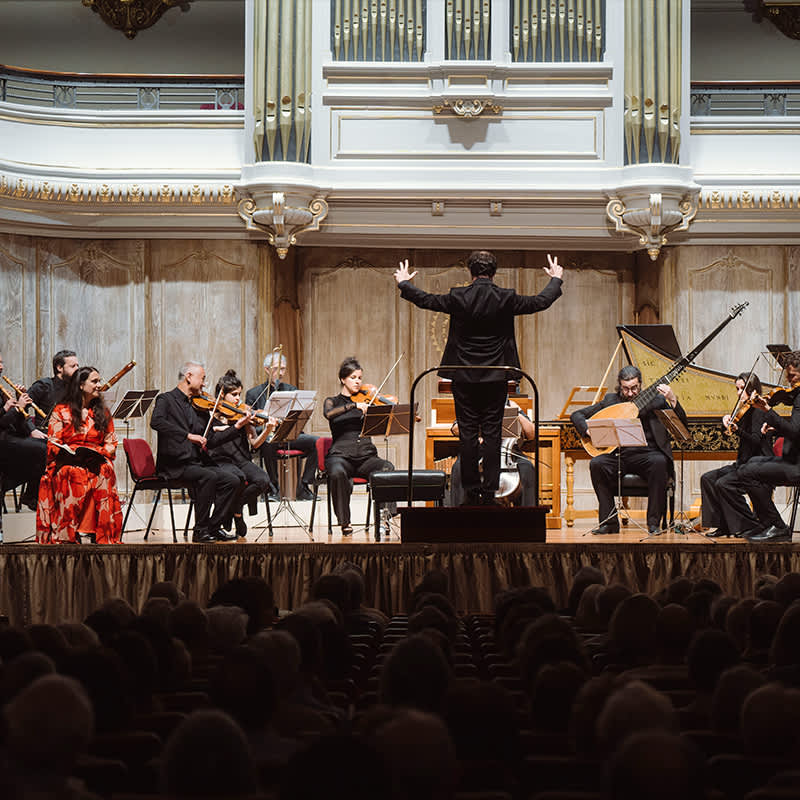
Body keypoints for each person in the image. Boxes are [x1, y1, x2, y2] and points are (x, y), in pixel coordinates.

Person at [394, 250, 563, 505]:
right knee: (493, 433)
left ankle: (472, 493)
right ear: (493, 272)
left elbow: (426, 300)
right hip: (496, 377)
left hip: (464, 376)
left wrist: (404, 283)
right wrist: (556, 279)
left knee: (468, 434)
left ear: (470, 272)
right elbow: (540, 302)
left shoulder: (458, 296)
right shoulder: (505, 297)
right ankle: (490, 490)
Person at [570, 365, 688, 535]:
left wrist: (673, 400)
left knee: (660, 462)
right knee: (597, 463)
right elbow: (577, 415)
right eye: (626, 389)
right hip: (619, 455)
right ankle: (609, 523)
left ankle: (653, 524)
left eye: (634, 388)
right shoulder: (611, 401)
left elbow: (682, 425)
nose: (631, 393)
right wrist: (588, 430)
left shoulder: (656, 400)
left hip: (648, 455)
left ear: (640, 384)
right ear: (620, 386)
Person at [150, 360, 251, 543]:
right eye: (202, 378)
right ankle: (200, 531)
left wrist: (236, 427)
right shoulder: (166, 399)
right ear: (189, 377)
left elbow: (211, 441)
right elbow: (156, 422)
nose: (205, 384)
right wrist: (188, 436)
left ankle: (213, 527)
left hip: (195, 463)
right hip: (174, 465)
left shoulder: (199, 407)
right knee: (208, 477)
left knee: (233, 480)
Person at [717, 350, 800, 542]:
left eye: (793, 376)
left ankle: (776, 526)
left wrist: (769, 412)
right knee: (750, 464)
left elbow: (796, 433)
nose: (789, 382)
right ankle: (767, 524)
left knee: (748, 472)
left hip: (796, 464)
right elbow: (795, 430)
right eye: (787, 376)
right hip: (792, 459)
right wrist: (776, 428)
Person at [36, 365, 123, 544]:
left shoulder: (103, 412)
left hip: (94, 458)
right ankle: (68, 533)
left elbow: (111, 442)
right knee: (73, 472)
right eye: (95, 381)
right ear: (81, 385)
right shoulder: (61, 411)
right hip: (67, 460)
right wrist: (70, 453)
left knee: (104, 470)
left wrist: (99, 452)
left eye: (99, 381)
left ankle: (98, 533)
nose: (100, 385)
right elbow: (54, 442)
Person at [323, 357, 394, 536]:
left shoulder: (368, 402)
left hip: (365, 456)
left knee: (387, 468)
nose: (358, 382)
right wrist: (354, 406)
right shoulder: (333, 401)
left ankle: (384, 517)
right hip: (340, 455)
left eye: (360, 378)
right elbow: (329, 414)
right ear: (343, 379)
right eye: (353, 377)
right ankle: (345, 521)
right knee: (337, 472)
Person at [698, 372, 773, 537]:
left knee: (723, 483)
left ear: (753, 390)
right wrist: (725, 423)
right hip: (743, 464)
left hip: (758, 465)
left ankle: (751, 524)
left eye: (742, 389)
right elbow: (727, 435)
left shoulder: (759, 411)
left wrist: (737, 430)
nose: (738, 393)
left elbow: (755, 440)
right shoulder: (744, 410)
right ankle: (722, 525)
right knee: (708, 478)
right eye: (737, 388)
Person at [208, 369, 276, 540]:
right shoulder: (210, 413)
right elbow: (209, 436)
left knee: (263, 481)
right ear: (222, 395)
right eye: (233, 394)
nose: (238, 398)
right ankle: (235, 513)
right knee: (236, 480)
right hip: (221, 461)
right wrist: (228, 427)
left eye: (239, 394)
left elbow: (254, 443)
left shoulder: (243, 413)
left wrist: (267, 429)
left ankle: (236, 508)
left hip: (241, 460)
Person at [245, 353, 317, 501]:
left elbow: (297, 417)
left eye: (283, 369)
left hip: (289, 434)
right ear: (267, 369)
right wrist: (265, 422)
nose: (281, 373)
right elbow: (250, 424)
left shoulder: (291, 390)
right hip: (268, 436)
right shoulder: (254, 394)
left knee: (317, 442)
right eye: (277, 369)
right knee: (268, 442)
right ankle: (273, 489)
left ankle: (303, 487)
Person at [448, 399, 537, 506]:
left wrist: (515, 412)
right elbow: (455, 429)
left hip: (509, 452)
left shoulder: (511, 404)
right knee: (459, 468)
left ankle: (528, 517)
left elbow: (531, 433)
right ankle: (458, 517)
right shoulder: (473, 405)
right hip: (479, 451)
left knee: (527, 468)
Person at [0, 352, 47, 510]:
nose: (1, 367)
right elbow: (2, 424)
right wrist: (16, 408)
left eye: (2, 362)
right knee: (42, 450)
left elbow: (15, 423)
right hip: (3, 443)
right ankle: (30, 496)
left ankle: (34, 496)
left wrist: (21, 406)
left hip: (9, 439)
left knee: (48, 445)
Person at [28, 349, 80, 431]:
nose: (77, 369)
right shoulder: (43, 385)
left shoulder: (75, 388)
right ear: (59, 368)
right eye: (73, 366)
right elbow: (21, 408)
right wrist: (32, 430)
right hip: (46, 433)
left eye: (78, 366)